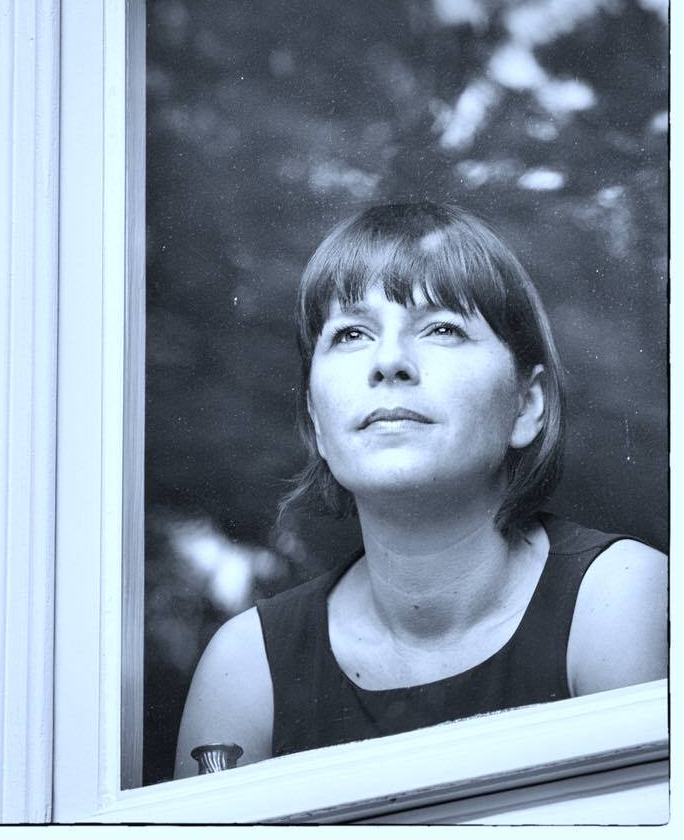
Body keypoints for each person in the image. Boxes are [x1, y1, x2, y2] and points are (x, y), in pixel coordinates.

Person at [174, 201, 667, 777]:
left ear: (526, 406)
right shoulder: (245, 667)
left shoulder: (621, 598)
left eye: (442, 328)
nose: (388, 362)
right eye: (352, 333)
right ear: (316, 424)